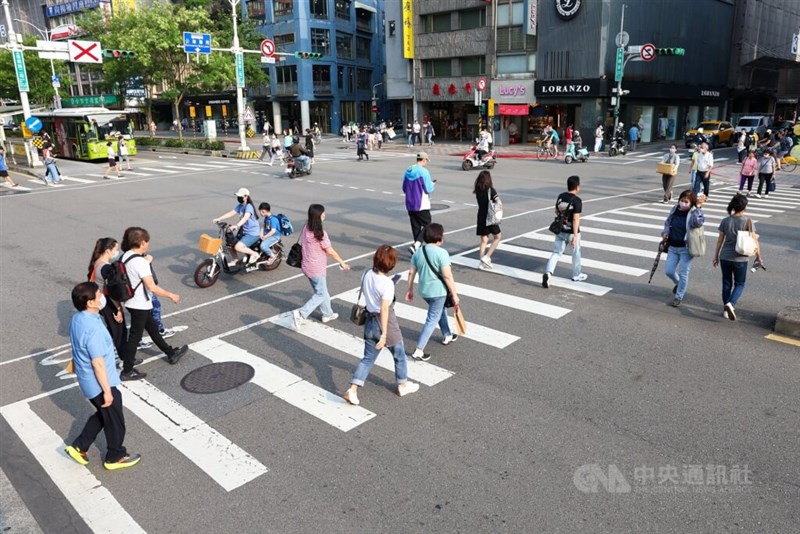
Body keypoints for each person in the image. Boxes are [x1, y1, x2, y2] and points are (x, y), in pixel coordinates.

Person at [64, 282, 142, 470]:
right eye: (98, 295)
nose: (102, 297)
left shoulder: (79, 318)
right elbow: (97, 363)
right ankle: (115, 456)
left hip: (87, 380)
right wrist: (107, 391)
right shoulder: (94, 329)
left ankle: (79, 446)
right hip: (99, 382)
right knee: (115, 419)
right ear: (90, 302)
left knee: (104, 413)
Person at [342, 245, 420, 406]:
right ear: (391, 264)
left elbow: (372, 288)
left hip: (369, 321)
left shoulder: (366, 274)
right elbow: (384, 308)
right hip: (385, 323)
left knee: (368, 359)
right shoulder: (387, 284)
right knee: (399, 354)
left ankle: (353, 389)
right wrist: (384, 334)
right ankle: (403, 385)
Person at [117, 227, 187, 381]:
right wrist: (171, 295)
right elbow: (152, 287)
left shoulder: (125, 256)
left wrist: (145, 260)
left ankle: (170, 353)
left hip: (131, 301)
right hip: (139, 303)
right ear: (142, 242)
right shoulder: (140, 262)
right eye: (147, 242)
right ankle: (127, 370)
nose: (148, 245)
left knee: (153, 329)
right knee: (135, 337)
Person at [405, 223, 460, 362]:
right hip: (438, 291)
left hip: (424, 291)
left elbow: (411, 272)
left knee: (439, 310)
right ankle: (419, 350)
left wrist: (409, 289)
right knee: (432, 319)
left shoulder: (419, 252)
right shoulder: (442, 253)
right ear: (439, 237)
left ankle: (447, 334)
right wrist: (454, 294)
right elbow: (447, 276)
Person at [293, 204, 350, 328]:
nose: (325, 215)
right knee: (321, 294)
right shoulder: (320, 234)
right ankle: (301, 314)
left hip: (306, 265)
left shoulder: (306, 227)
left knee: (322, 291)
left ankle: (327, 314)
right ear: (319, 216)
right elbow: (330, 251)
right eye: (323, 213)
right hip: (316, 268)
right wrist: (342, 263)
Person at [713, 195, 762, 321]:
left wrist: (716, 256)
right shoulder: (748, 221)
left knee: (726, 283)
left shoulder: (725, 220)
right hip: (740, 258)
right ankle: (731, 303)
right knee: (740, 283)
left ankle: (725, 309)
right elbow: (755, 241)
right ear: (744, 206)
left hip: (725, 257)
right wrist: (758, 257)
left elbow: (720, 241)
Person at [661, 190, 706, 307]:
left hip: (686, 248)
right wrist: (665, 233)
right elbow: (668, 222)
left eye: (686, 201)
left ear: (691, 203)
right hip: (672, 246)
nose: (683, 203)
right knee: (669, 271)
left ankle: (678, 296)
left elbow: (698, 223)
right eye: (681, 200)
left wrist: (698, 207)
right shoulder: (675, 209)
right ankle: (679, 284)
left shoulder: (693, 213)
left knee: (683, 273)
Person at [542, 175, 586, 287]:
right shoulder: (577, 201)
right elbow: (576, 218)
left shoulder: (561, 196)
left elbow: (556, 211)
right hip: (571, 232)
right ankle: (576, 275)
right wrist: (576, 236)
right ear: (577, 187)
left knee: (556, 253)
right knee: (576, 253)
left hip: (561, 230)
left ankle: (548, 273)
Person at [87, 238, 127, 357]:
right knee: (119, 331)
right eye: (116, 249)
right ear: (108, 251)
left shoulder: (96, 262)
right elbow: (111, 292)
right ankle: (124, 359)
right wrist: (119, 309)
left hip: (100, 301)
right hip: (107, 302)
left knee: (112, 328)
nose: (117, 252)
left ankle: (115, 353)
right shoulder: (105, 268)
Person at [213, 188, 262, 266]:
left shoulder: (249, 206)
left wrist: (237, 226)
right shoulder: (240, 206)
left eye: (240, 196)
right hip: (244, 232)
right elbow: (231, 213)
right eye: (238, 196)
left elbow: (246, 217)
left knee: (238, 247)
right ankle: (235, 260)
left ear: (246, 196)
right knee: (229, 244)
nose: (238, 198)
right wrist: (219, 218)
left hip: (252, 233)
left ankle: (255, 254)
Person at [402, 152, 436, 255]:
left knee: (415, 226)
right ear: (424, 160)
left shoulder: (408, 170)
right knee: (427, 225)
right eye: (426, 161)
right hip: (421, 203)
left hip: (409, 203)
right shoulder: (424, 172)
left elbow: (404, 188)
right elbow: (428, 189)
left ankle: (417, 248)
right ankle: (416, 245)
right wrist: (433, 184)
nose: (427, 163)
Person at [474, 170, 502, 270]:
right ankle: (487, 256)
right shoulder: (490, 190)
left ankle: (481, 262)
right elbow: (499, 203)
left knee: (483, 240)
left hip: (481, 217)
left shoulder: (478, 190)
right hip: (490, 217)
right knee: (497, 237)